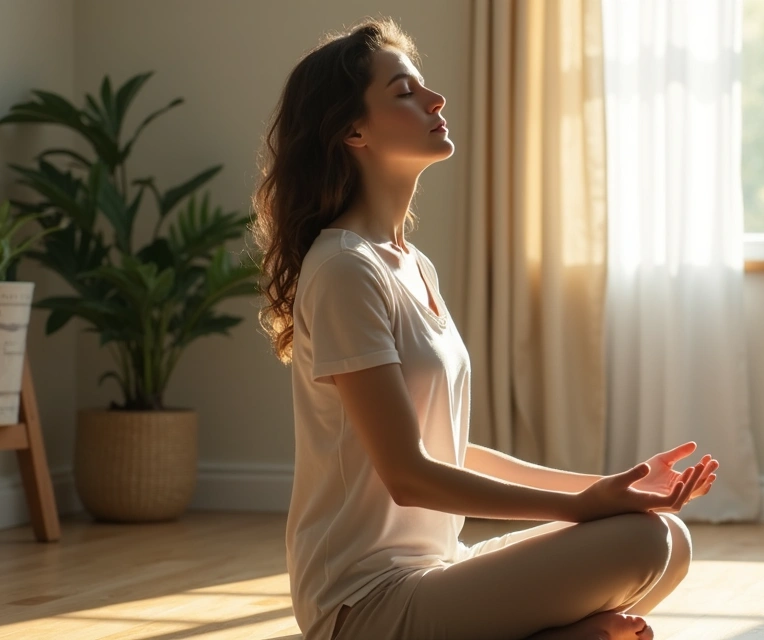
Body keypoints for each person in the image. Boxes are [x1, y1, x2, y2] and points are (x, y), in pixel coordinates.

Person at [252, 18, 719, 640]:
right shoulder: (344, 268)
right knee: (639, 543)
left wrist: (607, 487)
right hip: (364, 605)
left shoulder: (412, 264)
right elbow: (408, 473)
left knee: (670, 539)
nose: (435, 99)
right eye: (404, 91)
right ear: (353, 130)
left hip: (437, 569)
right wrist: (581, 508)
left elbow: (447, 448)